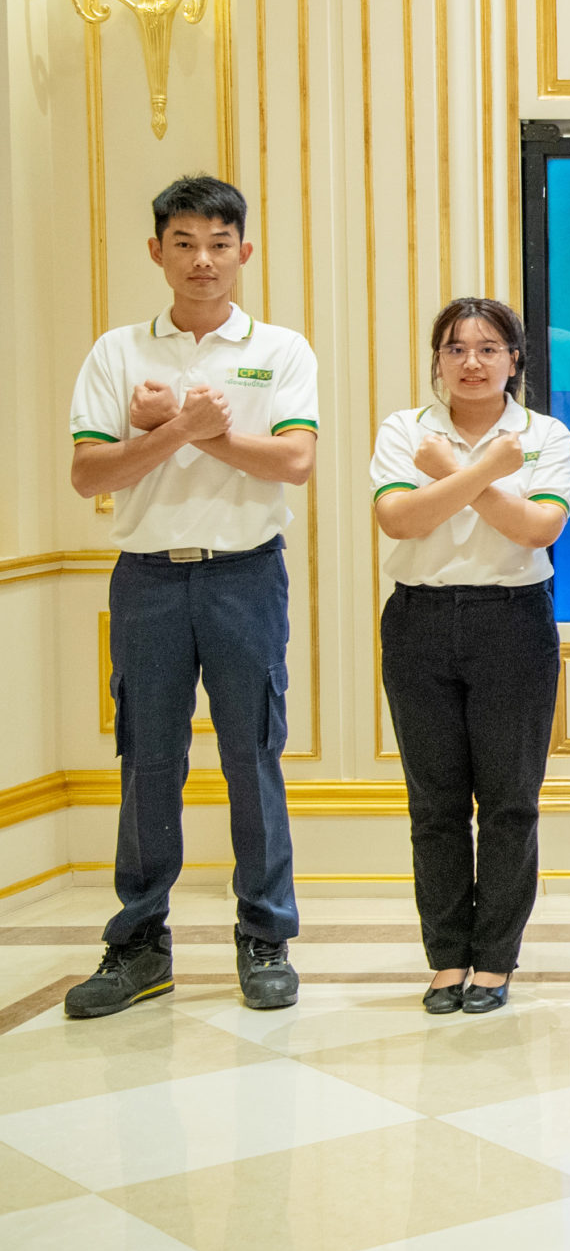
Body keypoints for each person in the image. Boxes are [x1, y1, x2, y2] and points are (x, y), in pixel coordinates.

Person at [64, 175, 318, 1018]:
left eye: (218, 242)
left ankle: (265, 934)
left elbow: (295, 460)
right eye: (184, 243)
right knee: (148, 760)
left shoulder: (280, 349)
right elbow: (88, 472)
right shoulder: (117, 353)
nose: (202, 259)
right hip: (146, 580)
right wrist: (182, 427)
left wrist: (199, 432)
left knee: (253, 753)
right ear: (157, 251)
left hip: (246, 573)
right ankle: (139, 942)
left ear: (245, 250)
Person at [371, 297, 570, 1015]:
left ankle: (493, 959)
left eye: (489, 348)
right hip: (419, 622)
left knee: (510, 802)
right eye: (455, 349)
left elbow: (536, 529)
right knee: (435, 804)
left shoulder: (544, 435)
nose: (472, 363)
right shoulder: (406, 430)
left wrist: (452, 475)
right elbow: (399, 517)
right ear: (438, 360)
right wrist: (481, 472)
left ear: (514, 360)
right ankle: (446, 957)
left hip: (512, 622)